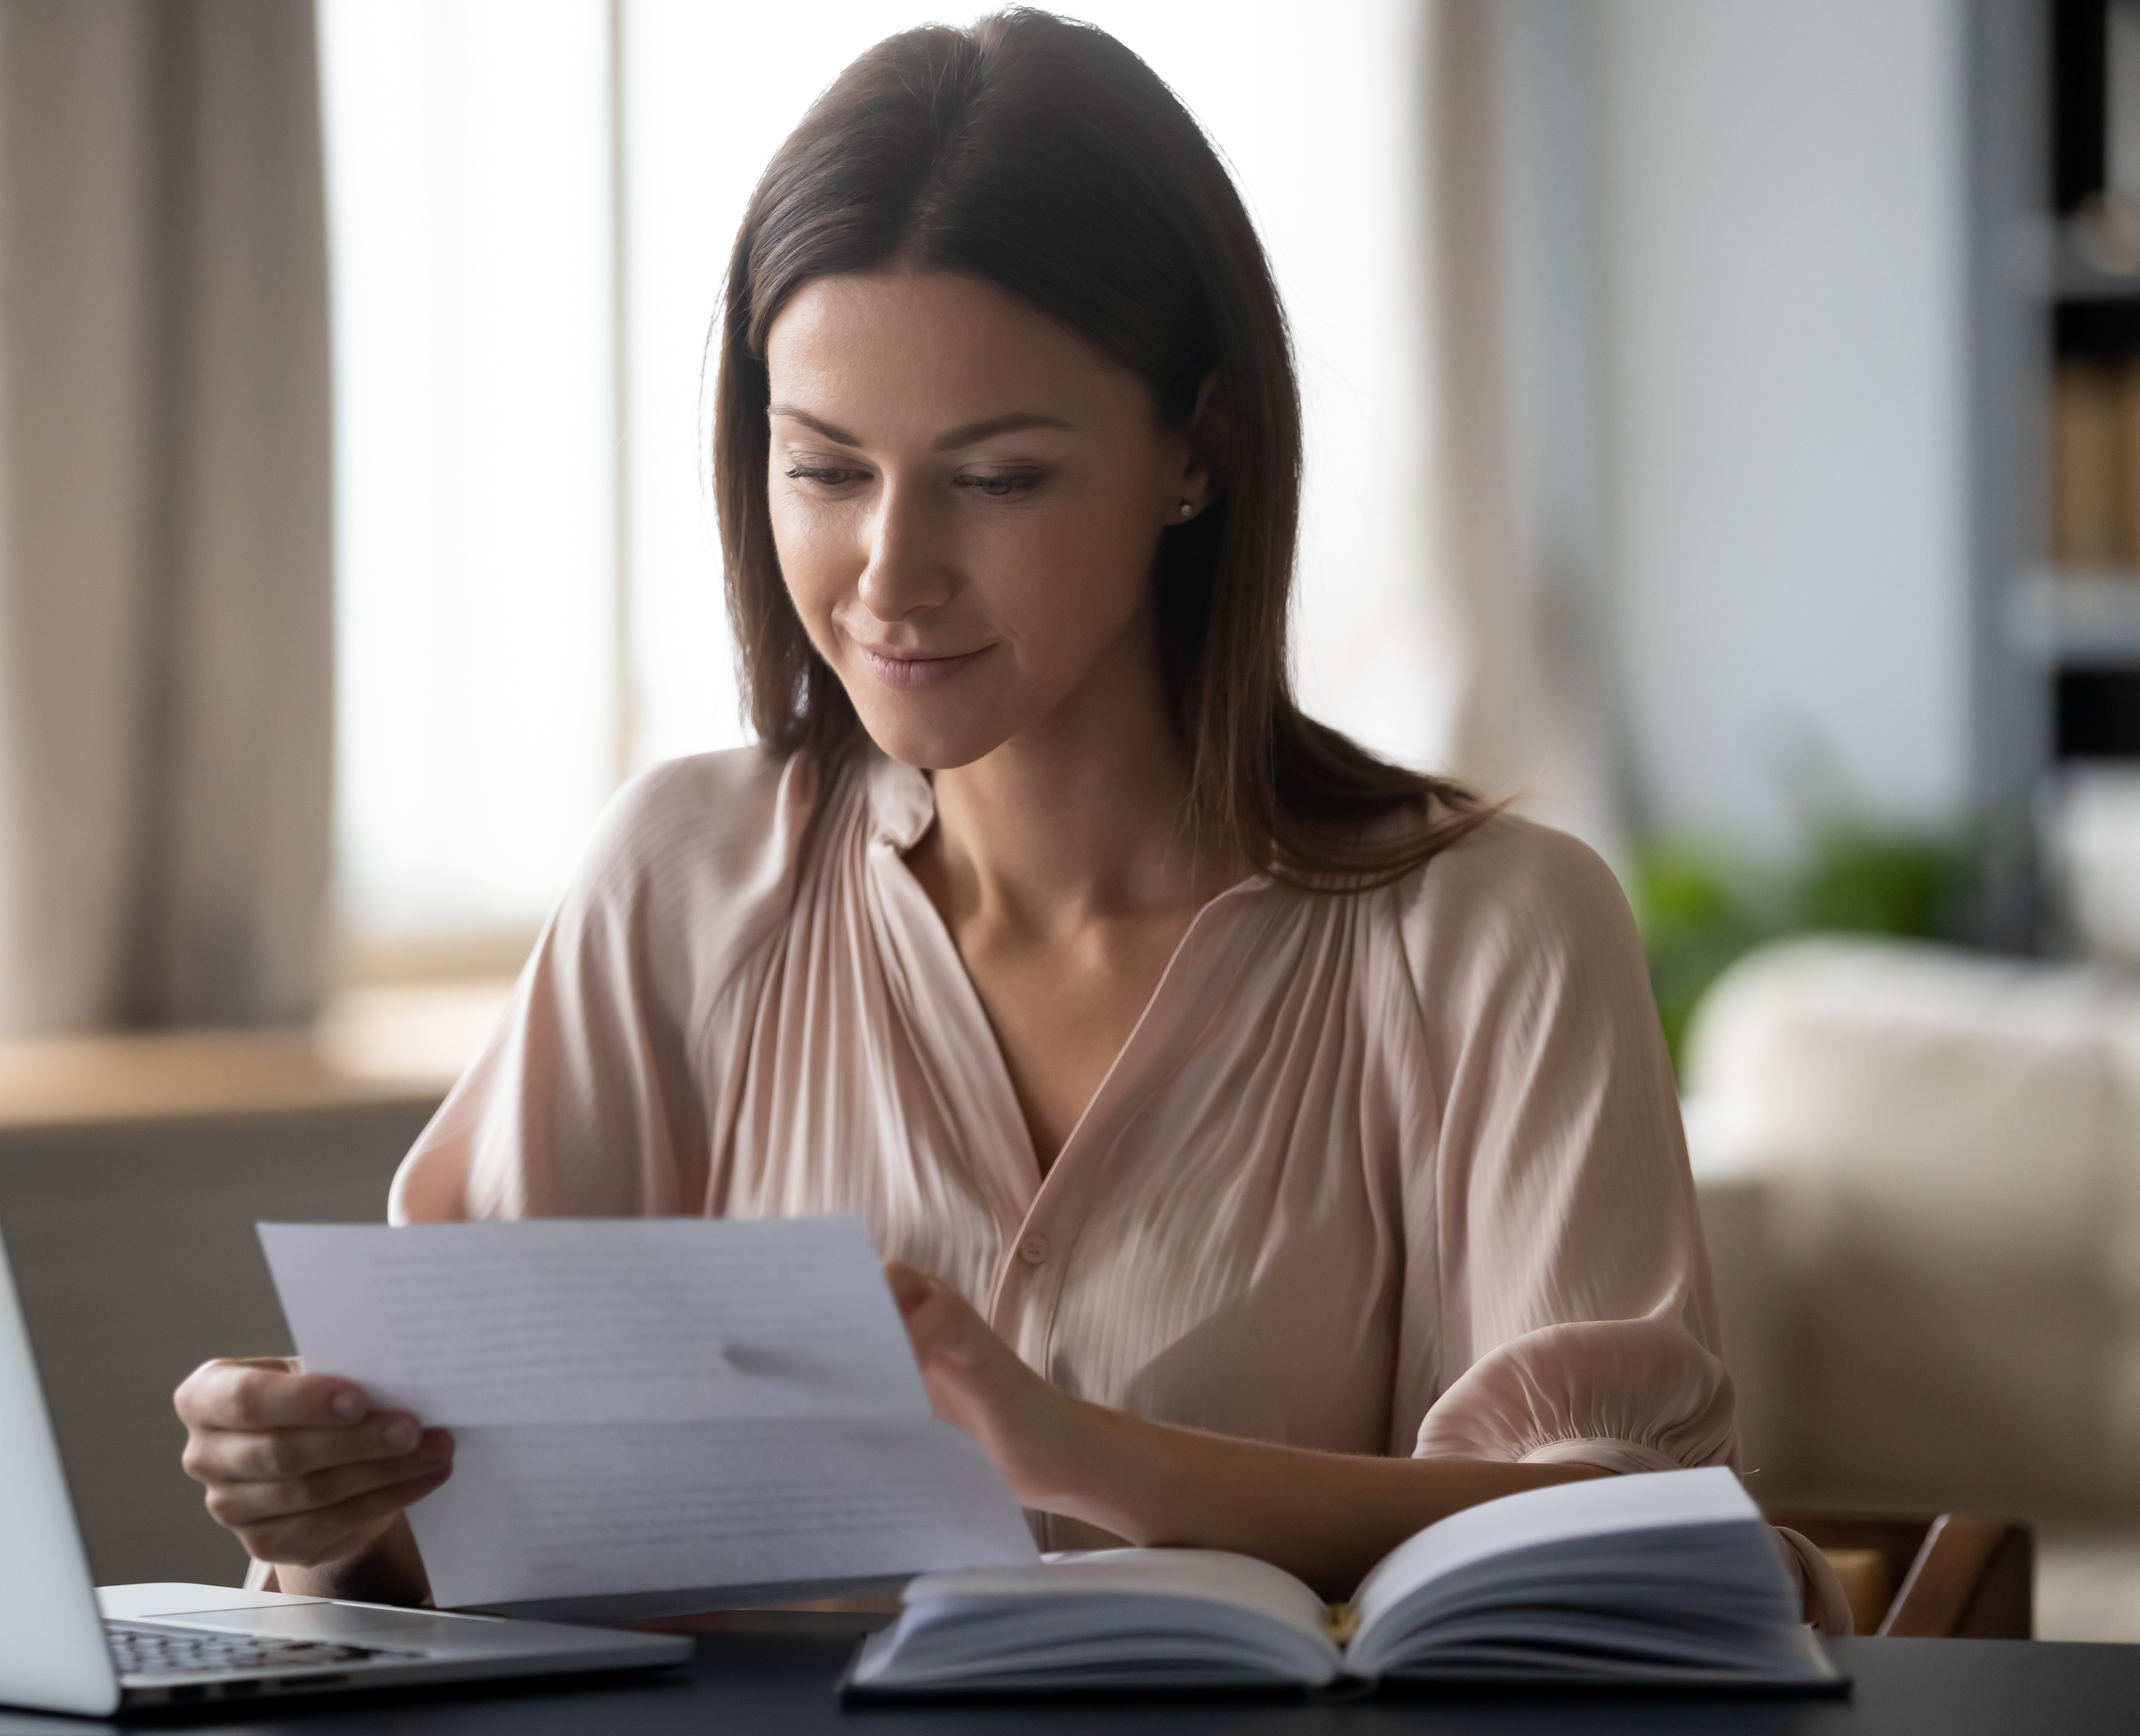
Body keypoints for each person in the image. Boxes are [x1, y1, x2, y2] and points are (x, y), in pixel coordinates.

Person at [175, 8, 1847, 1627]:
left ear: (1195, 450)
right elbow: (481, 1532)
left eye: (994, 478)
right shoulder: (678, 886)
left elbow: (1632, 1533)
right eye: (824, 469)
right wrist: (341, 1508)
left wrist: (1084, 1455)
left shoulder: (1493, 930)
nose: (888, 578)